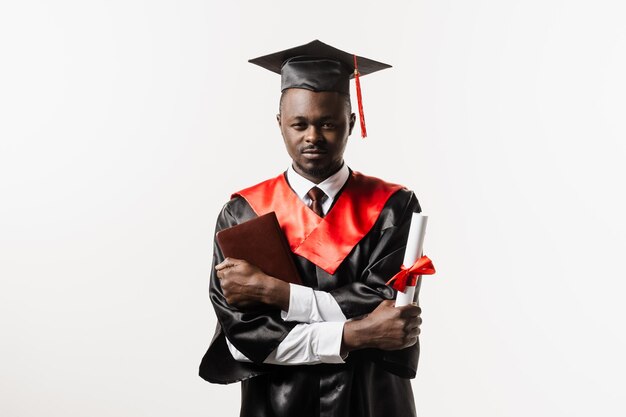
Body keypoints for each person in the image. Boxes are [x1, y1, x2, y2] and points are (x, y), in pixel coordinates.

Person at [199, 40, 424, 417]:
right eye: (299, 124)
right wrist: (356, 334)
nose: (313, 137)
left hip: (371, 402)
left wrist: (279, 294)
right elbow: (245, 339)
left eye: (329, 123)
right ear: (280, 124)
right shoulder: (243, 214)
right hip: (276, 404)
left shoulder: (394, 207)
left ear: (351, 123)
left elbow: (388, 309)